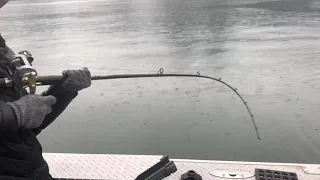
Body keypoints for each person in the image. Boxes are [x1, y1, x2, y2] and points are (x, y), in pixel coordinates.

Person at [0, 1, 92, 179]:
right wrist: (16, 113)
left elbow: (27, 127)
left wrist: (64, 91)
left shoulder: (4, 51)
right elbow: (17, 116)